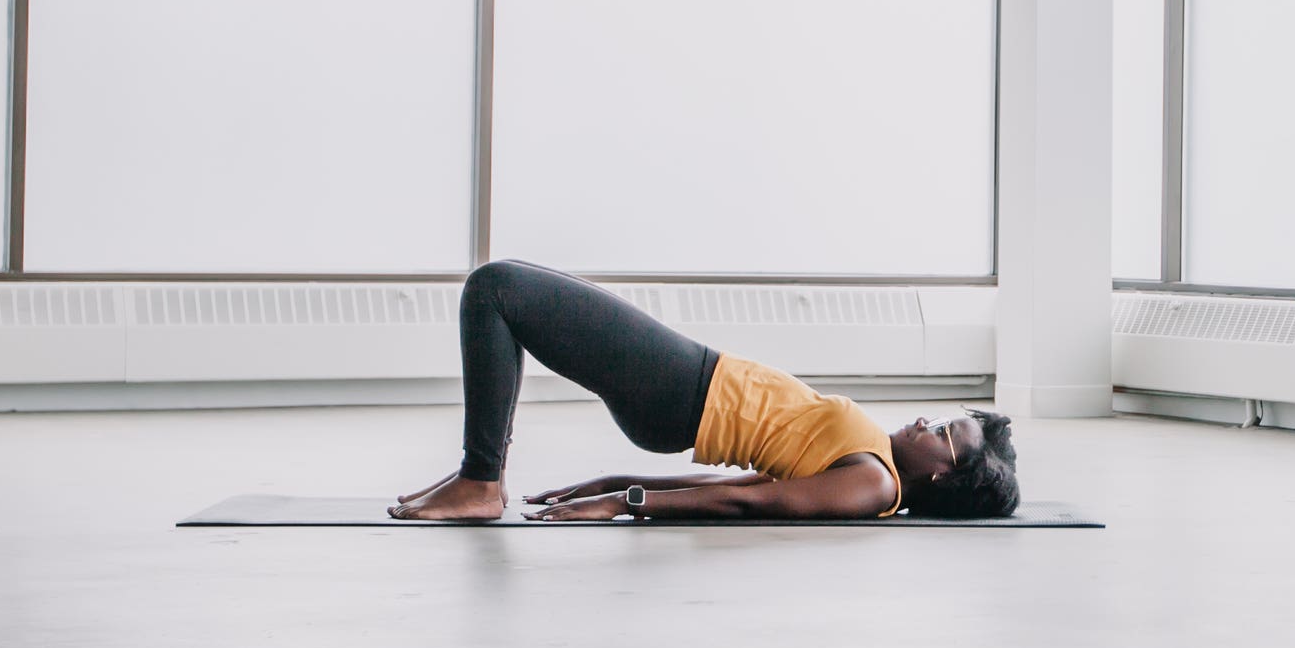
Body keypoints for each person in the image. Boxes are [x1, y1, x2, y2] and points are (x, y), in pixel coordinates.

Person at [392, 259, 1020, 523]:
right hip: (685, 382)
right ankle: (481, 478)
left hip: (682, 389)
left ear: (944, 478)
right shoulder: (871, 461)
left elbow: (751, 507)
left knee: (497, 288)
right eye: (940, 418)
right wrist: (615, 480)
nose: (924, 423)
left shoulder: (876, 484)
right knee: (502, 291)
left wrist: (626, 504)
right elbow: (748, 485)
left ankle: (480, 482)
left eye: (942, 435)